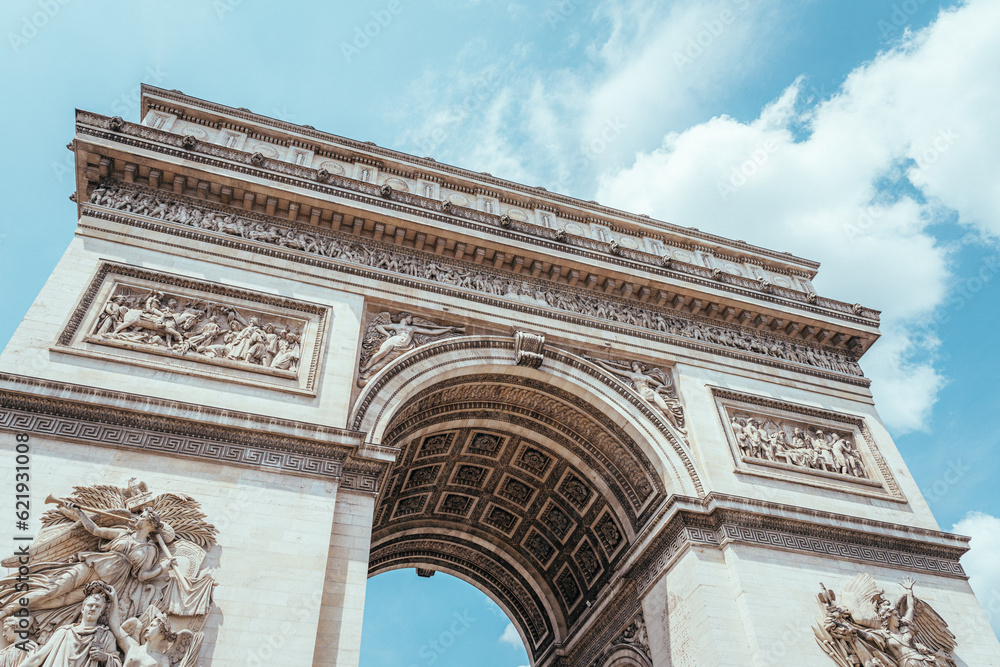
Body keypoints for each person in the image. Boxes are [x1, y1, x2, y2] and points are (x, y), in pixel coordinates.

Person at [0, 506, 174, 634]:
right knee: (53, 589)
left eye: (141, 517)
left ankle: (24, 611)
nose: (137, 518)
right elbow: (95, 530)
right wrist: (80, 514)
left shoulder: (150, 550)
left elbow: (143, 576)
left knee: (63, 601)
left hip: (104, 583)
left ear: (150, 524)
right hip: (91, 565)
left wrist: (162, 568)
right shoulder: (122, 533)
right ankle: (6, 609)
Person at [19, 582, 119, 667]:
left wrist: (105, 658)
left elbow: (117, 664)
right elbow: (38, 657)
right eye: (90, 605)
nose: (93, 609)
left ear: (101, 612)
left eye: (97, 606)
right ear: (83, 609)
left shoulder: (106, 636)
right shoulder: (64, 632)